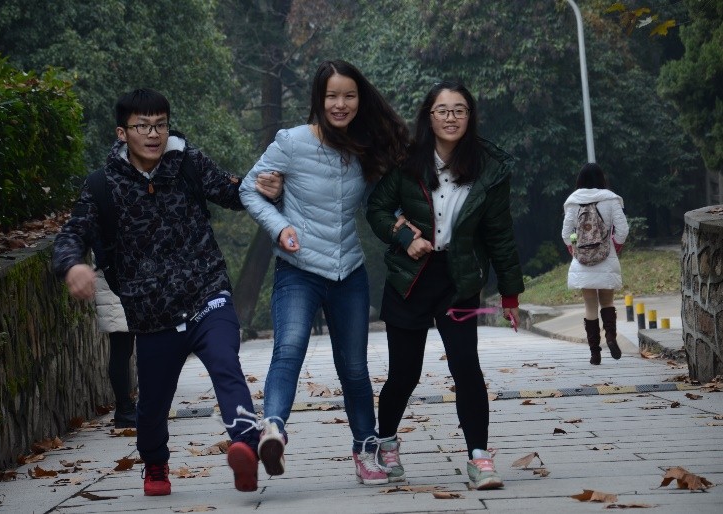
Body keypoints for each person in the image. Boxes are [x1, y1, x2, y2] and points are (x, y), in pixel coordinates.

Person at [52, 88, 283, 496]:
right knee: (153, 405)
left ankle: (246, 446)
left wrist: (263, 186)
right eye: (143, 126)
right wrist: (72, 265)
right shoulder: (102, 185)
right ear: (122, 133)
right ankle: (155, 463)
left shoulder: (187, 162)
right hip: (152, 315)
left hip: (206, 292)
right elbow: (73, 232)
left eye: (160, 124)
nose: (154, 134)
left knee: (225, 363)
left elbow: (232, 192)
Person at [239, 59, 410, 485]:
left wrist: (405, 224)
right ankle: (273, 430)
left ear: (359, 99)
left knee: (354, 367)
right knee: (289, 348)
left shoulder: (365, 146)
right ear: (319, 99)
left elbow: (379, 201)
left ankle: (366, 449)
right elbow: (249, 190)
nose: (340, 104)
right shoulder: (291, 142)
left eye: (349, 96)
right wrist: (280, 227)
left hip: (348, 270)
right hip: (298, 269)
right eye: (332, 96)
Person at [366, 81, 524, 490]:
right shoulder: (407, 161)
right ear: (429, 116)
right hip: (410, 278)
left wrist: (510, 293)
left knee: (466, 367)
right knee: (404, 373)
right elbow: (378, 208)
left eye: (459, 110)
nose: (451, 117)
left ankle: (479, 457)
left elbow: (500, 233)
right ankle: (386, 444)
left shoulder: (489, 168)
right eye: (442, 110)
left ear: (470, 117)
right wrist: (405, 236)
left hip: (460, 280)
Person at [561, 163, 629, 365]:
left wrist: (575, 248)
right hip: (606, 257)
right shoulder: (610, 199)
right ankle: (611, 337)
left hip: (583, 261)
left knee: (590, 306)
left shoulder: (573, 202)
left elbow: (566, 234)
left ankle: (595, 353)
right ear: (602, 179)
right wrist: (614, 246)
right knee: (607, 302)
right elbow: (623, 229)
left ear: (580, 180)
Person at [93, 265, 136, 429]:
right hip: (115, 286)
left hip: (119, 285)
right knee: (121, 350)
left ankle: (126, 407)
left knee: (125, 350)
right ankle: (124, 409)